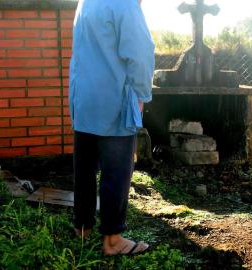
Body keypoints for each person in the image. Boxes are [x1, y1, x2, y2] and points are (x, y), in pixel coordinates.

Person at [69, 0, 155, 255]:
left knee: (83, 169)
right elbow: (140, 53)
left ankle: (82, 229)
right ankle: (113, 240)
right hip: (113, 100)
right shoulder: (124, 4)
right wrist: (141, 95)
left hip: (82, 99)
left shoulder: (85, 3)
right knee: (116, 172)